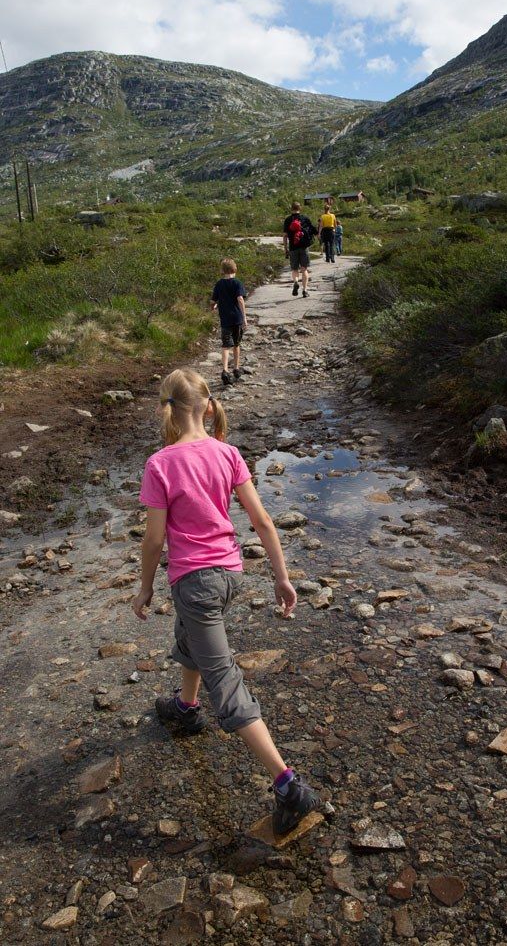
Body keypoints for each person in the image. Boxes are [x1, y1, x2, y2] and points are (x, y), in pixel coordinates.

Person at [132, 368, 321, 837]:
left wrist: (144, 586)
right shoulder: (228, 452)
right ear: (207, 406)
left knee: (227, 682)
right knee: (192, 634)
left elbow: (154, 540)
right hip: (229, 575)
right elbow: (262, 522)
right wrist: (281, 578)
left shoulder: (161, 463)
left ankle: (288, 785)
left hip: (194, 583)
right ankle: (186, 708)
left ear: (168, 409)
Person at [210, 257, 246, 386]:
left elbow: (213, 301)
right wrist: (244, 318)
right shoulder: (237, 283)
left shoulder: (219, 284)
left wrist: (214, 306)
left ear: (223, 270)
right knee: (236, 344)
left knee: (225, 345)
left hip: (225, 319)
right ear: (234, 269)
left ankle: (225, 370)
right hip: (236, 318)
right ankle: (236, 368)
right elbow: (240, 299)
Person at [282, 201, 315, 298]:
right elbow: (313, 230)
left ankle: (296, 282)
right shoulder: (305, 218)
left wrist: (285, 248)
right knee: (304, 269)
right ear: (300, 208)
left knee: (294, 269)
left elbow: (285, 236)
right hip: (304, 247)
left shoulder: (288, 220)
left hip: (293, 248)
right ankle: (305, 290)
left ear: (291, 208)